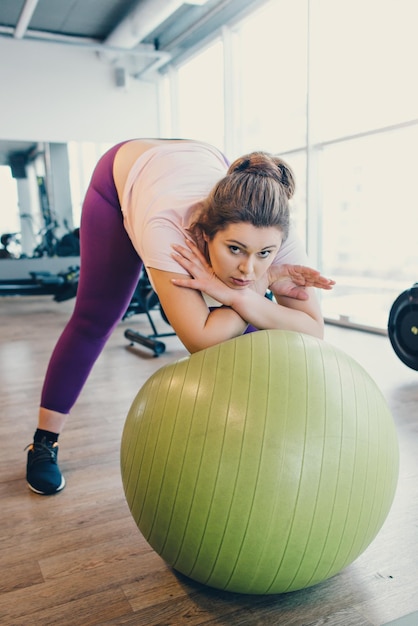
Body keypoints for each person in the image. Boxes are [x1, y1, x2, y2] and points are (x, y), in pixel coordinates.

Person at [25, 138, 335, 495]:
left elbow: (313, 330)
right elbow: (200, 339)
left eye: (265, 254)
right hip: (125, 179)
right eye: (234, 249)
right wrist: (258, 287)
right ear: (205, 235)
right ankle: (43, 443)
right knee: (97, 316)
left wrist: (239, 294)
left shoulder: (276, 228)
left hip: (194, 159)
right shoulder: (172, 229)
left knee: (252, 323)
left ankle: (249, 441)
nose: (249, 267)